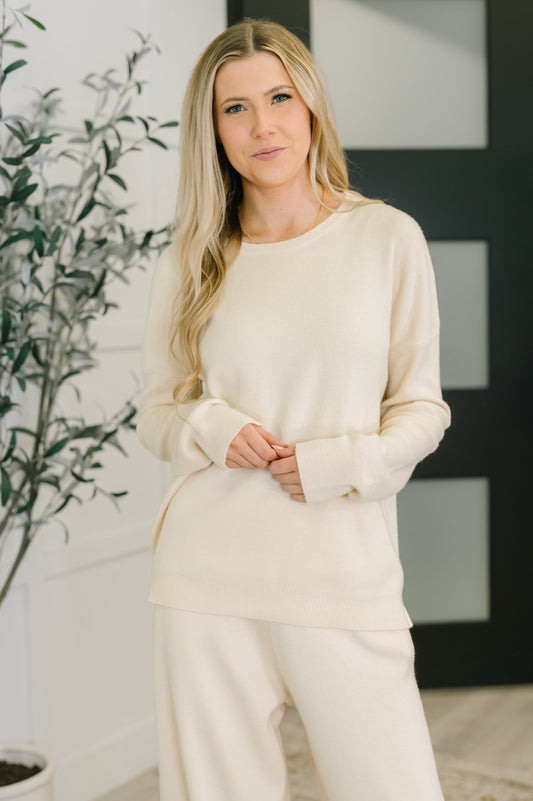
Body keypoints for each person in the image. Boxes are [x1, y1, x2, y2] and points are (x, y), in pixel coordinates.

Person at [136, 17, 451, 801]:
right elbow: (157, 410)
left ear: (310, 107)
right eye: (233, 108)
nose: (261, 124)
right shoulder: (191, 260)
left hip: (341, 570)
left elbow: (421, 407)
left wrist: (334, 464)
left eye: (278, 97)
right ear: (211, 131)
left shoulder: (384, 238)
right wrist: (213, 427)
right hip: (204, 575)